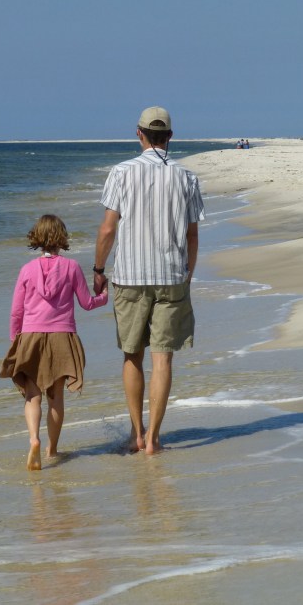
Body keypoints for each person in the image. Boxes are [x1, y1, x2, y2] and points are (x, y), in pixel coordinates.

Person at [93, 107, 204, 455]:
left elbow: (108, 228)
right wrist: (188, 273)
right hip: (171, 275)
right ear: (170, 137)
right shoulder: (187, 177)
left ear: (138, 133)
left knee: (132, 356)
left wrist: (98, 270)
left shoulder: (122, 172)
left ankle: (136, 434)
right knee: (163, 360)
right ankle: (154, 439)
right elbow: (192, 234)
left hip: (129, 276)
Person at [0, 214, 108, 470]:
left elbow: (16, 311)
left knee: (32, 395)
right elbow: (86, 303)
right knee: (56, 397)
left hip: (31, 337)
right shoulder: (71, 267)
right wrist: (103, 296)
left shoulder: (26, 270)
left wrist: (16, 339)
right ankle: (52, 449)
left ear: (36, 238)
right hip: (62, 337)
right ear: (62, 237)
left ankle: (34, 440)